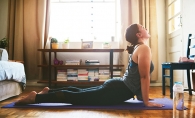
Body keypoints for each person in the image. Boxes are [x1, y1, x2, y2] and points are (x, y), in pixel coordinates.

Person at [15, 24, 164, 107]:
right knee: (77, 98)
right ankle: (36, 99)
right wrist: (145, 102)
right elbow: (144, 77)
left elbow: (137, 77)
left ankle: (47, 92)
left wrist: (143, 97)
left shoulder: (140, 48)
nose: (146, 28)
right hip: (118, 90)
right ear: (138, 34)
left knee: (79, 92)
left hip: (118, 86)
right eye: (143, 27)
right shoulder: (144, 48)